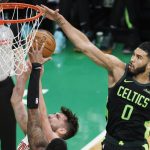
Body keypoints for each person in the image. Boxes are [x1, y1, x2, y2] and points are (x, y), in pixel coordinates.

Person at [41, 5, 150, 150]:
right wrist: (60, 20)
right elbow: (85, 45)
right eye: (133, 54)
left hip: (137, 146)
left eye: (139, 57)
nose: (132, 59)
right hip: (111, 143)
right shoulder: (118, 70)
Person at [11, 44, 79, 150]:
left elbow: (41, 114)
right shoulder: (33, 134)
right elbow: (16, 101)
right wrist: (26, 74)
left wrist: (36, 70)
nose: (51, 115)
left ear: (62, 130)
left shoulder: (56, 143)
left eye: (57, 117)